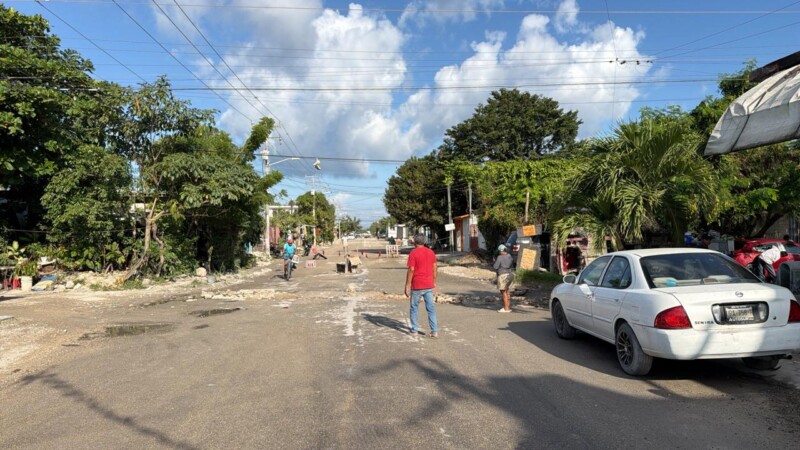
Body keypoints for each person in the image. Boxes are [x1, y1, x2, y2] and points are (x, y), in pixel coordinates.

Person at [404, 234, 438, 338]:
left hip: (417, 285)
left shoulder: (413, 253)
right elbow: (435, 268)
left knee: (414, 308)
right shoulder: (431, 252)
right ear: (424, 242)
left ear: (414, 242)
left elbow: (411, 270)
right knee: (431, 308)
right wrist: (434, 281)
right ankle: (434, 331)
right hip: (428, 285)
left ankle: (414, 330)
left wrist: (407, 285)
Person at [493, 244, 515, 313]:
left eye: (499, 251)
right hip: (510, 275)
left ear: (502, 251)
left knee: (503, 292)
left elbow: (495, 267)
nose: (499, 252)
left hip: (503, 276)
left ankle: (506, 309)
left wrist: (494, 261)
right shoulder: (510, 256)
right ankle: (508, 307)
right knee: (507, 291)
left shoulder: (499, 257)